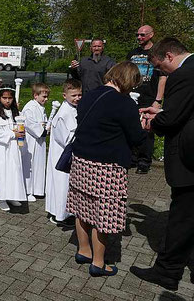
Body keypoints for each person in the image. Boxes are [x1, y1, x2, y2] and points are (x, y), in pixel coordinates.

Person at [67, 61, 147, 277]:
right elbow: (137, 138)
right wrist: (145, 125)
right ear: (129, 81)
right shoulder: (125, 103)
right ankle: (99, 263)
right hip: (107, 167)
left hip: (81, 160)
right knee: (104, 215)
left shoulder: (89, 95)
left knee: (82, 207)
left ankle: (83, 251)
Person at [131, 37, 194, 291]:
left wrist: (154, 122)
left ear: (169, 56)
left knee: (182, 217)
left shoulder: (184, 75)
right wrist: (163, 112)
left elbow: (172, 120)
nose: (159, 72)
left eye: (159, 66)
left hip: (188, 160)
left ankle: (167, 272)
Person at [126, 25, 167, 174]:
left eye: (142, 35)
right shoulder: (132, 54)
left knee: (147, 129)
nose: (139, 38)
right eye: (137, 35)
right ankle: (132, 157)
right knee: (131, 127)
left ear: (151, 35)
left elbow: (163, 77)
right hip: (131, 96)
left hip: (149, 96)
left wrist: (158, 100)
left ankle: (144, 161)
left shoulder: (157, 53)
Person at [45, 79, 82, 227]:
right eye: (73, 95)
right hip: (62, 155)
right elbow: (63, 139)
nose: (77, 98)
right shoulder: (63, 114)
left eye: (80, 94)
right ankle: (59, 214)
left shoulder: (75, 108)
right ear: (64, 95)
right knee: (61, 185)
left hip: (71, 153)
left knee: (68, 185)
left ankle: (67, 212)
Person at [0, 87, 27, 211]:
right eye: (5, 98)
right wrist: (12, 134)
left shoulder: (16, 113)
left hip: (14, 148)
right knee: (2, 172)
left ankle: (12, 195)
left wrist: (20, 131)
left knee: (14, 172)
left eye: (10, 98)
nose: (7, 101)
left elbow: (22, 126)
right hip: (1, 149)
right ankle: (1, 198)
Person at [21, 83, 50, 202]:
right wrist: (42, 130)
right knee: (30, 165)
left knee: (39, 164)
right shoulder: (29, 107)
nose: (46, 99)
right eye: (44, 96)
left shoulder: (40, 106)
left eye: (47, 96)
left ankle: (37, 189)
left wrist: (46, 127)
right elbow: (30, 124)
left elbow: (44, 122)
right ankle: (27, 190)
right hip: (31, 140)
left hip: (40, 141)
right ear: (35, 95)